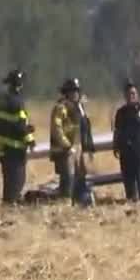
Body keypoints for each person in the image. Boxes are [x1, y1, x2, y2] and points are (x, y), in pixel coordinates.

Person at [0, 69, 35, 205]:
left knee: (8, 178)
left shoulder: (0, 101)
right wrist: (31, 140)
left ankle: (7, 202)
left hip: (2, 148)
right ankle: (11, 204)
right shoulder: (18, 102)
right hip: (15, 148)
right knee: (17, 179)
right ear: (20, 85)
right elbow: (21, 126)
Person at [112, 81, 140, 203]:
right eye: (128, 94)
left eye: (133, 93)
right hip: (125, 151)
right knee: (128, 179)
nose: (130, 96)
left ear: (137, 95)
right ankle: (131, 201)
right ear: (125, 96)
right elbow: (117, 131)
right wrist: (115, 146)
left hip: (139, 150)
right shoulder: (120, 112)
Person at [49, 78, 90, 206]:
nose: (76, 94)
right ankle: (65, 205)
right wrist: (67, 145)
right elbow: (56, 129)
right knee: (68, 179)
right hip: (64, 151)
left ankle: (79, 203)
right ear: (66, 93)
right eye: (73, 91)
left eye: (77, 91)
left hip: (75, 149)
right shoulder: (61, 107)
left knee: (78, 178)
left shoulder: (77, 108)